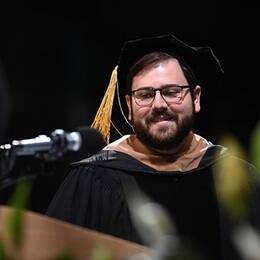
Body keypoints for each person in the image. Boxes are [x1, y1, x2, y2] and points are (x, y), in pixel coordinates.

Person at [46, 34, 260, 260]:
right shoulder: (93, 179)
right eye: (145, 95)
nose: (159, 105)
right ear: (129, 106)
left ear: (195, 98)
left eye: (171, 92)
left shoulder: (236, 177)